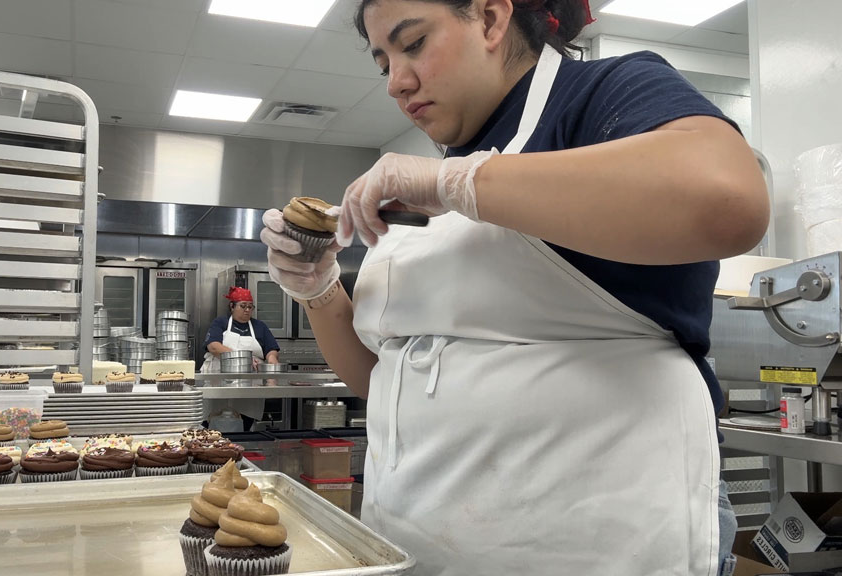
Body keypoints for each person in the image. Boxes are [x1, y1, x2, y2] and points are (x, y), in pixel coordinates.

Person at [259, 1, 769, 574]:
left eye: (415, 43)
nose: (397, 84)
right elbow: (392, 384)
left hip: (593, 546)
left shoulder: (597, 96)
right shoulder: (444, 173)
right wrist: (318, 289)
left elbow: (729, 199)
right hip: (415, 541)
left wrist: (457, 182)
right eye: (383, 65)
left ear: (492, 19)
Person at [201, 286, 280, 431]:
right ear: (232, 306)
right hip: (219, 384)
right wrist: (243, 358)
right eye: (243, 306)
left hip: (249, 386)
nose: (247, 310)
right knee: (213, 424)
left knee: (245, 424)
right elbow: (213, 346)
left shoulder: (259, 326)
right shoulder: (221, 323)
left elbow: (271, 351)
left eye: (250, 307)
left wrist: (272, 368)